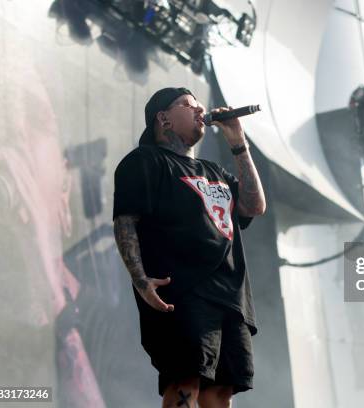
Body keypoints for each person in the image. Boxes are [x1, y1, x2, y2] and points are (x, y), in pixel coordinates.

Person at [112, 87, 266, 408]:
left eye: (200, 105)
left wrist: (237, 141)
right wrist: (141, 280)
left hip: (230, 296)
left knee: (221, 393)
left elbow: (253, 206)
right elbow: (126, 221)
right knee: (185, 381)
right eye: (187, 104)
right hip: (183, 291)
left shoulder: (216, 172)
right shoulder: (146, 161)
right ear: (163, 118)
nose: (199, 110)